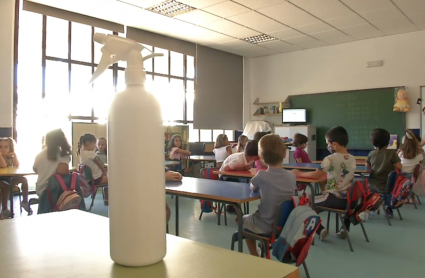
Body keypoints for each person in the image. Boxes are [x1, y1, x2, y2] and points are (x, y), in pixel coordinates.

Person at [293, 126, 356, 241]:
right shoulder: (352, 158)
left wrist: (298, 173)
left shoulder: (330, 159)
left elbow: (314, 175)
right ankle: (344, 228)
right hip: (348, 200)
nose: (328, 146)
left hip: (333, 198)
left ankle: (319, 229)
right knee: (317, 199)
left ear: (335, 144)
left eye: (328, 144)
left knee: (304, 202)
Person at [244, 134, 297, 256]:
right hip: (285, 225)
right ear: (284, 154)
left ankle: (255, 256)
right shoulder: (292, 176)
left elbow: (252, 186)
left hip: (266, 225)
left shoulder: (261, 175)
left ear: (261, 157)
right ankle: (263, 246)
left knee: (243, 220)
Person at [366, 128, 401, 218]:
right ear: (388, 141)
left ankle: (372, 206)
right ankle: (388, 208)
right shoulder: (392, 153)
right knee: (390, 189)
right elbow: (399, 167)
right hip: (387, 186)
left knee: (370, 191)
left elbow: (367, 166)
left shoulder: (371, 154)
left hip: (372, 186)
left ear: (373, 142)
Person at [33, 129, 72, 197]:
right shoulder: (63, 154)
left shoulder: (40, 154)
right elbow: (62, 171)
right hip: (55, 190)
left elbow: (35, 169)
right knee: (78, 187)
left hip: (40, 189)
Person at [0, 137, 30, 218]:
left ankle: (24, 202)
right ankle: (5, 208)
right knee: (6, 186)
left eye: (6, 147)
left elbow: (17, 164)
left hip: (9, 179)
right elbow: (3, 165)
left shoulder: (10, 157)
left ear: (10, 148)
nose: (3, 149)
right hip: (1, 180)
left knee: (24, 179)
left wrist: (14, 155)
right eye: (1, 147)